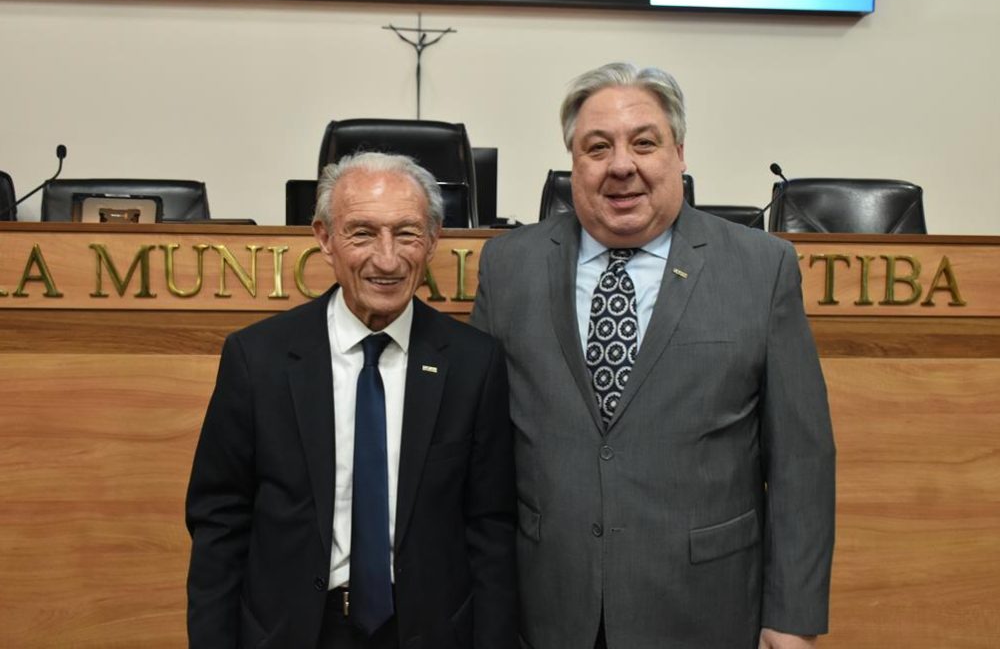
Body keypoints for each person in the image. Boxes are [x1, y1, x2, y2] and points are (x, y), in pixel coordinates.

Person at [471, 63, 835, 649]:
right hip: (548, 608)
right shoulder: (509, 266)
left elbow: (801, 461)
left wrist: (792, 617)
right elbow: (480, 454)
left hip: (704, 607)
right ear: (573, 161)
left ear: (679, 153)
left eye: (644, 143)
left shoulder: (760, 268)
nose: (622, 166)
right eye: (597, 147)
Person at [187, 152, 517, 649]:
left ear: (432, 240)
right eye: (362, 233)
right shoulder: (258, 359)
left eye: (406, 233)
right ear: (325, 238)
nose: (387, 259)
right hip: (294, 631)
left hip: (428, 630)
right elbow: (220, 522)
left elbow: (490, 529)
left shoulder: (475, 363)